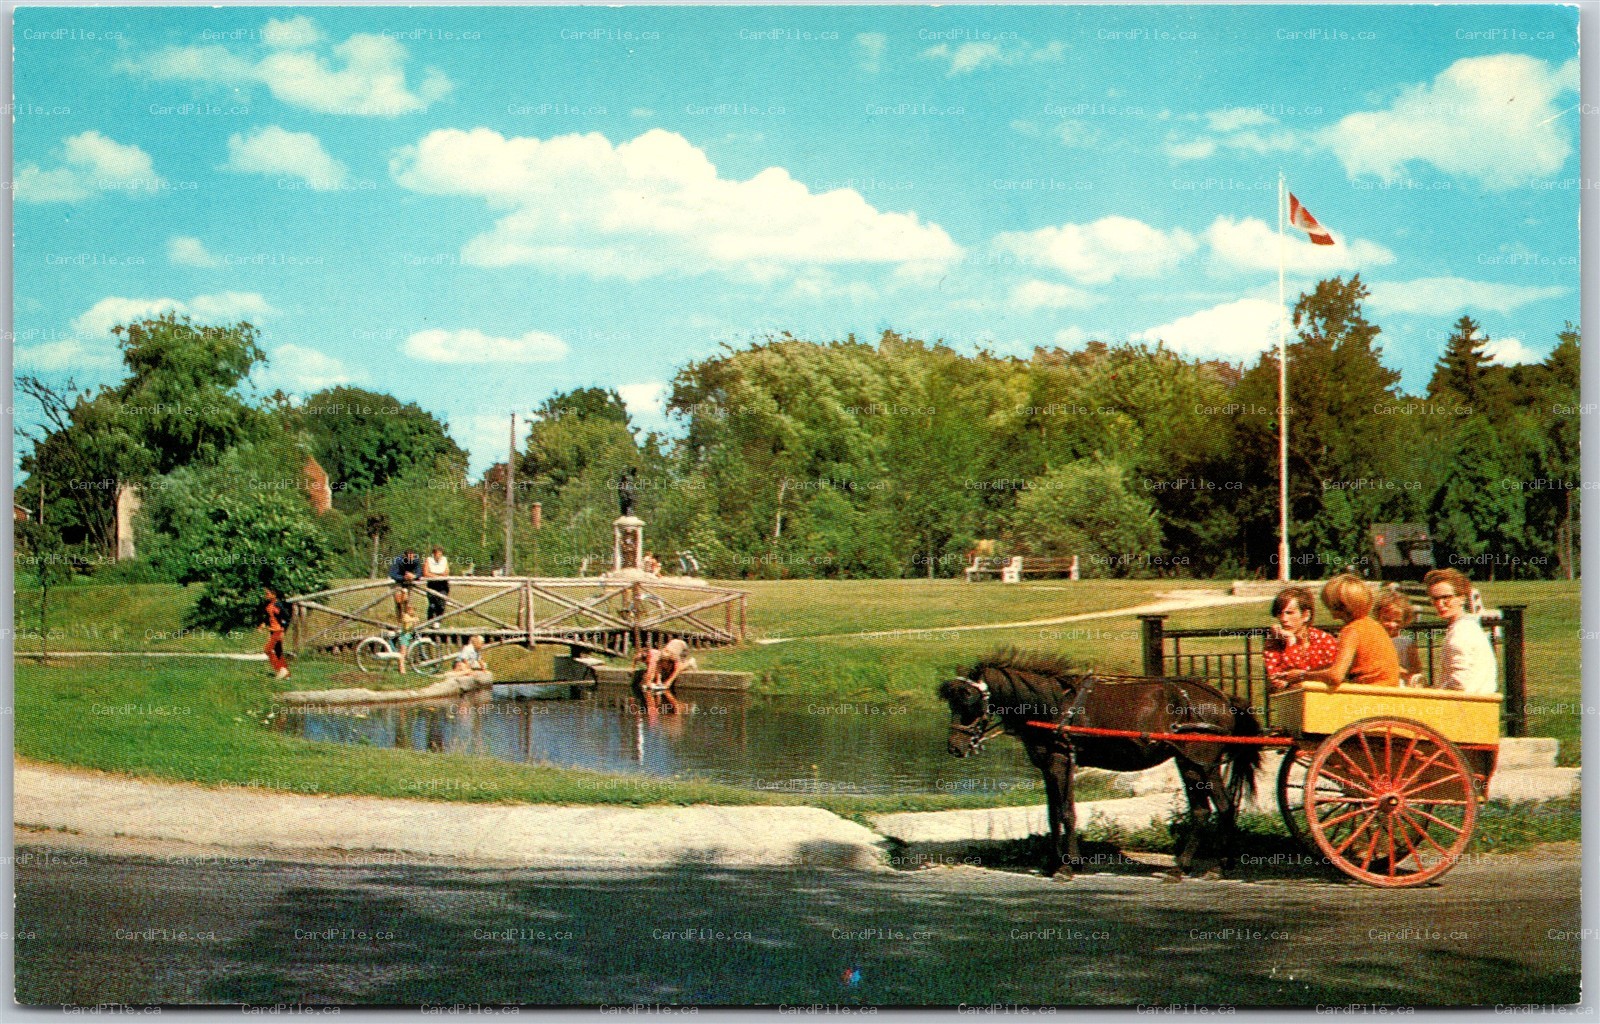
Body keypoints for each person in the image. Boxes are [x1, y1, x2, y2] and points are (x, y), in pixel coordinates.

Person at [1272, 574, 1399, 689]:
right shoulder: (1373, 625)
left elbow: (1335, 676)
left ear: (1340, 605)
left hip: (1370, 694)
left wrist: (1301, 676)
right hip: (1388, 690)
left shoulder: (1352, 631)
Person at [1424, 568, 1498, 694]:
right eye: (1435, 599)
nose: (1440, 604)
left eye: (1446, 597)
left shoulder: (1461, 632)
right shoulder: (1467, 626)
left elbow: (1460, 682)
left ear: (1462, 598)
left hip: (1468, 705)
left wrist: (1434, 691)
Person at [1263, 586, 1338, 692]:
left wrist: (1299, 676)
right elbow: (1276, 683)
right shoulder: (1274, 643)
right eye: (1280, 613)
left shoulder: (1325, 641)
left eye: (1289, 613)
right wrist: (1290, 642)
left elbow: (1333, 676)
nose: (1283, 619)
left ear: (1306, 615)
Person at [1374, 590, 1426, 686]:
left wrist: (1402, 672)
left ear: (1405, 621)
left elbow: (1416, 670)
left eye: (1397, 621)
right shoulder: (1373, 640)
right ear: (1378, 616)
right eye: (1387, 619)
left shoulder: (1407, 643)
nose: (1392, 624)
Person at [635, 637, 696, 713]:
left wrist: (669, 682)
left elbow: (677, 670)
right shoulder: (660, 656)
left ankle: (690, 662)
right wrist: (658, 680)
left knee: (676, 669)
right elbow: (658, 668)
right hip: (671, 647)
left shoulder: (674, 656)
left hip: (682, 647)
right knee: (667, 669)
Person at [261, 587, 290, 680]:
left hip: (278, 631)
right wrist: (263, 624)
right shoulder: (268, 605)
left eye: (268, 594)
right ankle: (286, 674)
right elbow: (269, 617)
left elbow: (286, 618)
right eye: (266, 594)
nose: (266, 596)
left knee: (267, 650)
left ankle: (280, 669)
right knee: (278, 652)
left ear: (274, 595)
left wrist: (283, 630)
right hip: (272, 630)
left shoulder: (278, 605)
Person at [389, 548, 422, 621]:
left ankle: (406, 618)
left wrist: (414, 576)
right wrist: (404, 577)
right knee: (398, 601)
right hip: (396, 581)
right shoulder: (398, 560)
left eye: (412, 557)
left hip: (408, 582)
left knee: (406, 600)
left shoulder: (415, 560)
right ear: (405, 557)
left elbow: (419, 572)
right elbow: (393, 574)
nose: (411, 560)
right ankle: (400, 618)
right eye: (409, 558)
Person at [423, 545, 450, 621]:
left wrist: (433, 574)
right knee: (432, 605)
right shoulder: (428, 560)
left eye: (441, 554)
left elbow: (446, 572)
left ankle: (438, 622)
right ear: (434, 554)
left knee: (441, 604)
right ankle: (430, 621)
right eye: (438, 554)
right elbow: (425, 573)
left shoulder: (444, 560)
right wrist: (438, 575)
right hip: (432, 585)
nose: (440, 556)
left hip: (443, 585)